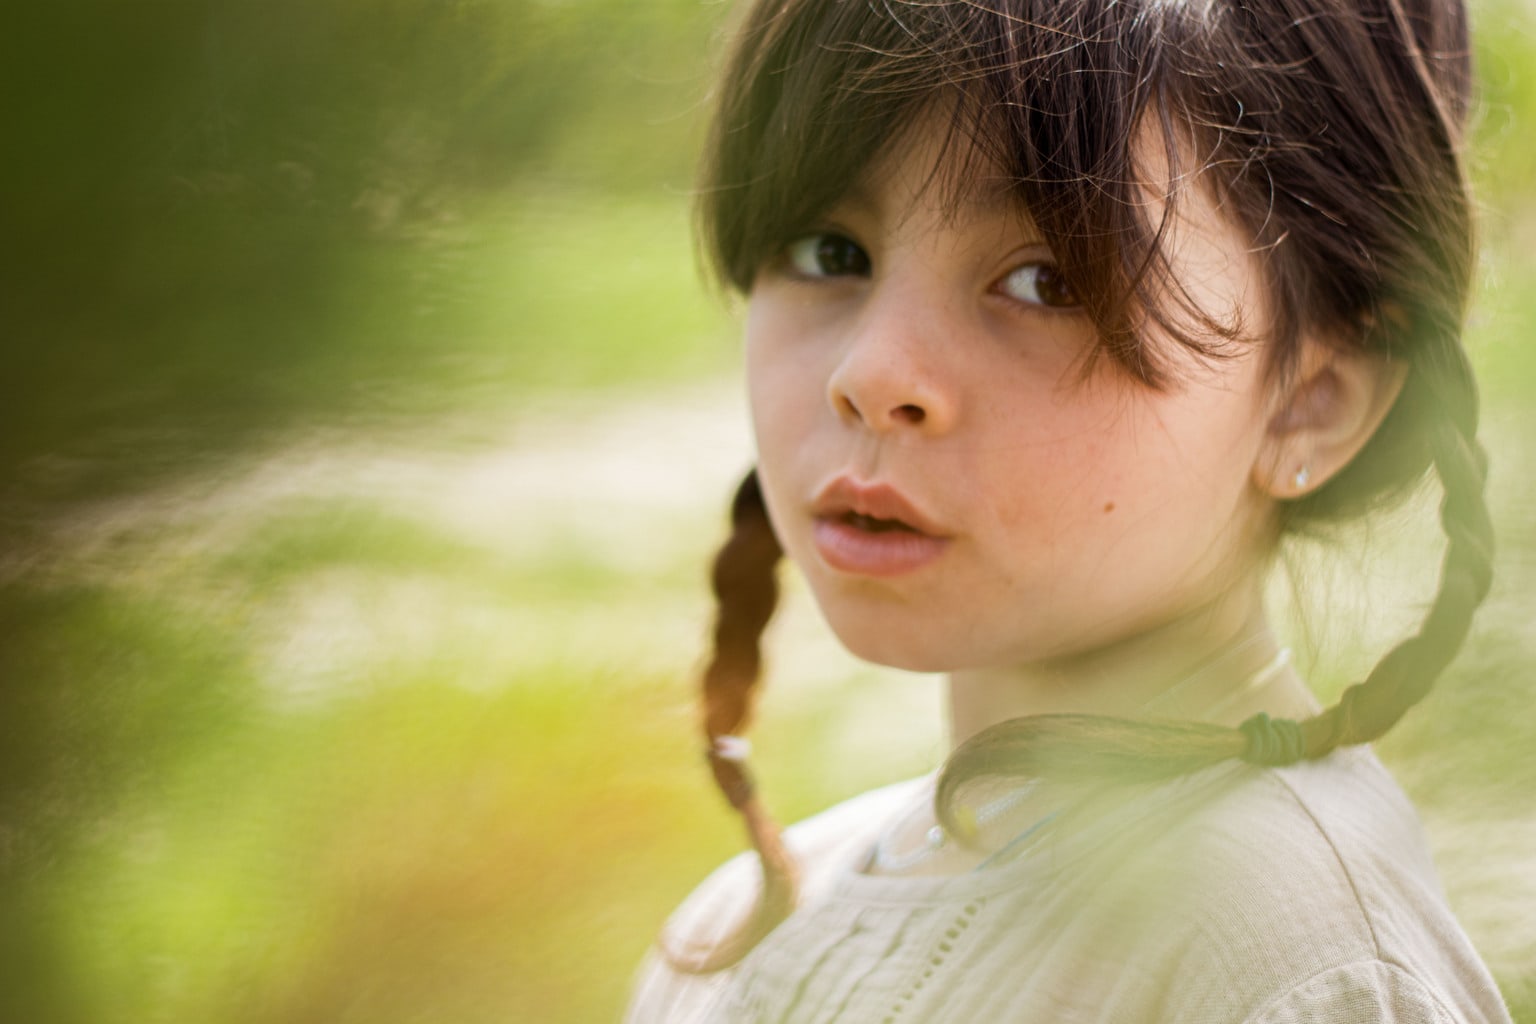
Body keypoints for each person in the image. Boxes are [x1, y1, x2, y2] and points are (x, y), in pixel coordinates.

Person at [626, 0, 1512, 1020]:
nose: (871, 375)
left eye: (1047, 281)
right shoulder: (742, 928)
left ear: (1313, 398)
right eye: (833, 253)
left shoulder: (1296, 958)